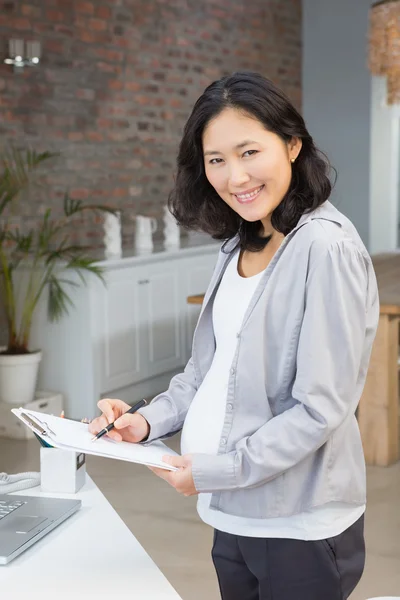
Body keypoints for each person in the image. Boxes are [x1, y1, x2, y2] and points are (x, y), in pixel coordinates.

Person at [89, 71, 379, 600]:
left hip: (297, 523)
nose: (234, 176)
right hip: (232, 509)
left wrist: (219, 469)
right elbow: (206, 373)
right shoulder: (237, 246)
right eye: (216, 159)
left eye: (249, 151)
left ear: (292, 145)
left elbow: (320, 407)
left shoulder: (325, 248)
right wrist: (145, 422)